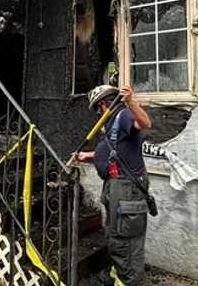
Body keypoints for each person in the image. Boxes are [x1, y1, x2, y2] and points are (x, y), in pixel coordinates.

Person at [74, 85, 152, 286]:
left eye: (97, 109)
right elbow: (113, 151)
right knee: (114, 234)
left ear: (103, 104)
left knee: (125, 239)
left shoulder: (123, 115)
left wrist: (130, 101)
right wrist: (88, 156)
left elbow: (145, 123)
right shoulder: (110, 125)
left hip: (126, 188)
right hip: (114, 186)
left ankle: (132, 281)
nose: (98, 113)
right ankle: (118, 274)